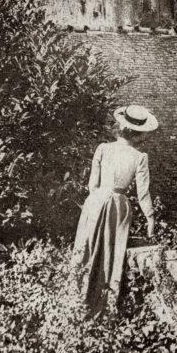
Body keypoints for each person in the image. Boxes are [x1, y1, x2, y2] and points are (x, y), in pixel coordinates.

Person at [72, 104, 158, 315]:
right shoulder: (139, 157)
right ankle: (104, 306)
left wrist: (96, 203)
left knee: (87, 248)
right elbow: (143, 193)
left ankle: (77, 300)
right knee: (111, 253)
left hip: (95, 202)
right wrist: (150, 218)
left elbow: (93, 185)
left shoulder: (103, 148)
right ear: (138, 134)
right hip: (118, 206)